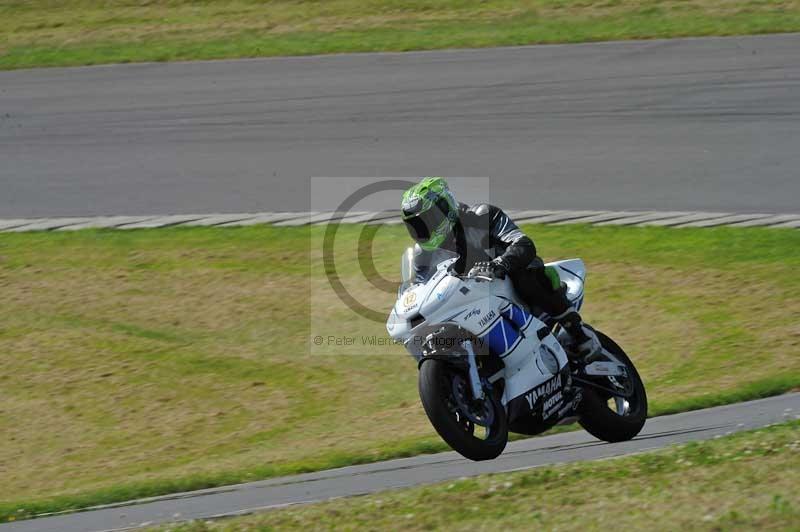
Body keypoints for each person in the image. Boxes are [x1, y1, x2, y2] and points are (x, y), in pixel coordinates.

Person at [400, 176, 601, 360]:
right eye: (417, 225)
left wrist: (500, 264)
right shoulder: (421, 256)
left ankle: (577, 332)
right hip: (469, 305)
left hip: (508, 287)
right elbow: (420, 289)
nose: (423, 229)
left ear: (446, 207)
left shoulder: (482, 216)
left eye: (428, 220)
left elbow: (523, 243)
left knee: (525, 274)